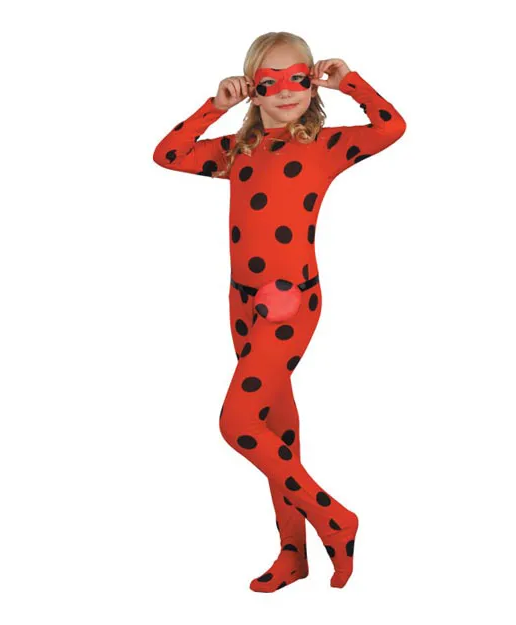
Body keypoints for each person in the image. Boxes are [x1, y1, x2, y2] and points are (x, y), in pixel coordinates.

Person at [152, 31, 406, 591]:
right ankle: (293, 554)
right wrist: (215, 106)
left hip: (290, 303)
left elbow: (391, 127)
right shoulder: (238, 151)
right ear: (253, 88)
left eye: (299, 78)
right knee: (274, 430)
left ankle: (335, 519)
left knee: (237, 423)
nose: (286, 91)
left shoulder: (325, 146)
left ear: (312, 82)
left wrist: (350, 84)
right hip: (241, 300)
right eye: (270, 82)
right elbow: (167, 154)